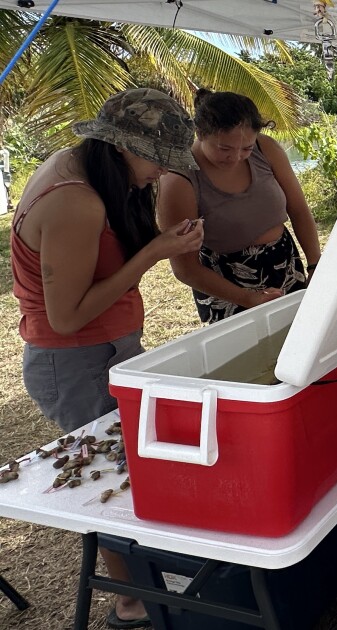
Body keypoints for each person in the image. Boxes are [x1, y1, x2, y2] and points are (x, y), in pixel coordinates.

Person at [10, 87, 205, 629]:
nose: (160, 176)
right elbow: (66, 316)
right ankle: (129, 599)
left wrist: (156, 241)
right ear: (121, 148)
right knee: (108, 482)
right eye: (158, 163)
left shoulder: (86, 172)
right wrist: (151, 255)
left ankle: (140, 583)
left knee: (133, 470)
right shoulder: (76, 200)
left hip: (106, 349)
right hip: (74, 358)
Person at [158, 89, 321, 323]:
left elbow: (299, 209)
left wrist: (315, 263)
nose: (235, 158)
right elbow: (185, 269)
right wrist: (248, 298)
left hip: (285, 263)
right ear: (200, 133)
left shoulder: (266, 149)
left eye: (246, 148)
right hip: (225, 283)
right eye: (224, 148)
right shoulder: (179, 179)